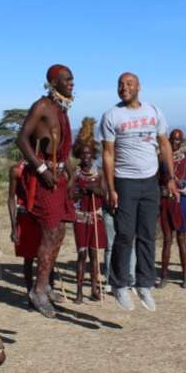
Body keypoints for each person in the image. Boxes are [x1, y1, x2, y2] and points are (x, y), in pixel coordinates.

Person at [100, 71, 178, 312]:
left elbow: (164, 144)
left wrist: (170, 178)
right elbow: (108, 154)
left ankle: (144, 284)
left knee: (147, 234)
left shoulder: (154, 111)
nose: (124, 87)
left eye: (129, 83)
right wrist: (111, 188)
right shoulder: (111, 115)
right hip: (125, 181)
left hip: (150, 181)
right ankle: (119, 284)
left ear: (138, 87)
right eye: (120, 84)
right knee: (124, 234)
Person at [15, 64, 75, 318]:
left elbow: (62, 150)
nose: (71, 83)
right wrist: (41, 170)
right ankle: (38, 291)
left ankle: (45, 284)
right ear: (53, 83)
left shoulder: (61, 109)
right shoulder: (41, 106)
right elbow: (21, 139)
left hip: (58, 178)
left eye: (72, 79)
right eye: (67, 79)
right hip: (43, 180)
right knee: (49, 233)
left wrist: (71, 174)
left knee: (59, 232)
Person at [6, 161, 58, 303]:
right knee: (28, 259)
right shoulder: (16, 170)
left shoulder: (46, 168)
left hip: (44, 217)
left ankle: (47, 291)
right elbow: (11, 199)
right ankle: (31, 294)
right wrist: (13, 227)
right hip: (25, 218)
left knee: (47, 257)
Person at [69, 117, 108, 303]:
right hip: (80, 218)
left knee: (94, 255)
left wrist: (95, 189)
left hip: (96, 217)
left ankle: (94, 289)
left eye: (89, 153)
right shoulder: (75, 173)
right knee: (81, 255)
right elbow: (70, 196)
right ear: (79, 154)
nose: (86, 157)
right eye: (83, 154)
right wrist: (81, 192)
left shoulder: (99, 173)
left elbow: (105, 194)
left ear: (93, 154)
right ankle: (78, 292)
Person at [158, 129, 186, 289]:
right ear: (168, 140)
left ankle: (185, 276)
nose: (175, 142)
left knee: (181, 238)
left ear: (182, 141)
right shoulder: (161, 158)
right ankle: (163, 276)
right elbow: (156, 181)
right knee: (167, 240)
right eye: (172, 139)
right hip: (165, 201)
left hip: (182, 201)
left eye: (178, 140)